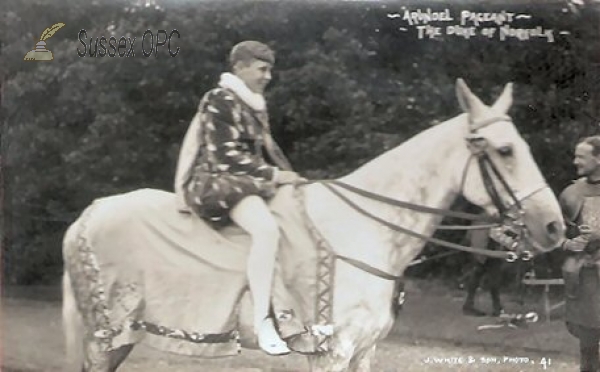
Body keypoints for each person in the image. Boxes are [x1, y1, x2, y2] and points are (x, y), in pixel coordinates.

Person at [174, 41, 302, 355]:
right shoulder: (219, 99)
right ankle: (262, 322)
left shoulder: (253, 105)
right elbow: (225, 156)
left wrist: (291, 175)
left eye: (269, 69)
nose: (268, 76)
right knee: (266, 230)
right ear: (240, 67)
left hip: (242, 181)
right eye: (262, 69)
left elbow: (266, 153)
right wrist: (273, 176)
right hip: (215, 181)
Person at [559, 136, 600, 372]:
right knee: (588, 342)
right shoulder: (571, 193)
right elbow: (553, 235)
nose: (576, 161)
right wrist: (567, 244)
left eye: (581, 157)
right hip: (585, 278)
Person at [462, 224, 505, 317]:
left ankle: (496, 307)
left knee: (479, 274)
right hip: (486, 245)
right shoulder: (489, 215)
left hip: (486, 244)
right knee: (490, 275)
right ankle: (496, 307)